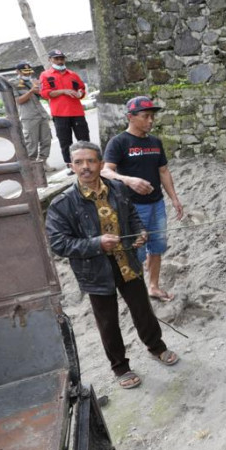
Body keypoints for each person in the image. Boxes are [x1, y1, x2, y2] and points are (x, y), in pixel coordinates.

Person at [46, 141, 179, 390]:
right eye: (79, 162)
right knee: (107, 321)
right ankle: (120, 367)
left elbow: (132, 216)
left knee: (143, 310)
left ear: (100, 163)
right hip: (95, 271)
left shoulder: (117, 188)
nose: (85, 167)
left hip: (126, 261)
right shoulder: (62, 204)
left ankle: (156, 348)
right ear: (71, 166)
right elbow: (58, 243)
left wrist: (139, 232)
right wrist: (96, 244)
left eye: (91, 161)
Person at [102, 96, 184, 303]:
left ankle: (154, 286)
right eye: (146, 116)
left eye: (152, 117)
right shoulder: (119, 142)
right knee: (136, 249)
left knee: (157, 246)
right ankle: (136, 293)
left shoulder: (155, 142)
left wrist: (174, 198)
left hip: (157, 204)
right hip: (132, 208)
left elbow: (163, 171)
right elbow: (106, 171)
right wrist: (128, 180)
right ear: (131, 117)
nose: (150, 121)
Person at [39, 49, 89, 171]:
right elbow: (44, 93)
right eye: (56, 59)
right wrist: (63, 91)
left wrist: (80, 93)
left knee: (84, 139)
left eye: (61, 58)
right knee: (65, 141)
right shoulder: (45, 75)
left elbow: (82, 88)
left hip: (77, 112)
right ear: (50, 60)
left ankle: (88, 161)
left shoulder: (73, 74)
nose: (60, 61)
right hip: (60, 113)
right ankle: (70, 166)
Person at [9, 61, 52, 165]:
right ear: (18, 71)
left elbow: (44, 96)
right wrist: (31, 91)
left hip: (41, 114)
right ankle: (32, 167)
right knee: (31, 143)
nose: (27, 74)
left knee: (46, 141)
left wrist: (40, 89)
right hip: (29, 116)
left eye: (29, 71)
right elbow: (18, 101)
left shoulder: (32, 81)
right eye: (25, 72)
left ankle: (43, 164)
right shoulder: (13, 83)